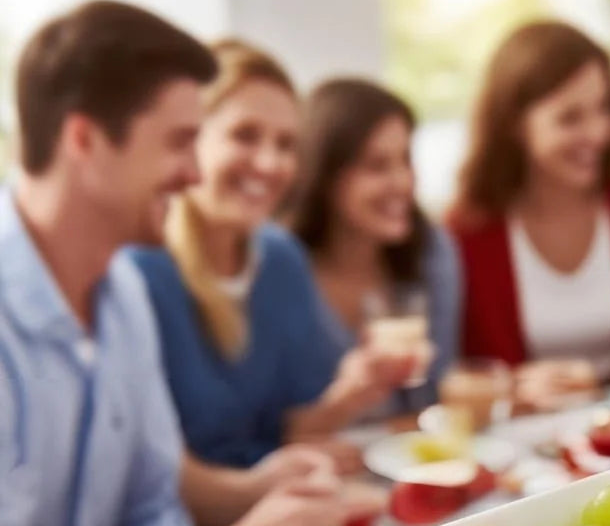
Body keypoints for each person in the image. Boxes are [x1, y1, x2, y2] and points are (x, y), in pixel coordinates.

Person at [0, 0, 371, 526]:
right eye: (177, 143)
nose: (194, 173)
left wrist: (254, 488)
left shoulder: (121, 295)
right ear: (84, 140)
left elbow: (155, 492)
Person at [131, 42, 410, 470]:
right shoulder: (140, 270)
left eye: (285, 145)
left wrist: (349, 395)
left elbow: (289, 431)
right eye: (245, 135)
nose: (269, 163)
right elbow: (153, 475)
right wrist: (262, 483)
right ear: (190, 138)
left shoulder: (282, 260)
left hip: (280, 510)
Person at [448, 20, 610, 408]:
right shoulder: (470, 230)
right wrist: (513, 392)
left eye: (604, 109)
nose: (598, 133)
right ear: (515, 124)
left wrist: (603, 396)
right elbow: (466, 374)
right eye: (571, 118)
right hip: (523, 445)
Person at [288, 77, 461, 425]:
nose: (402, 183)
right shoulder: (281, 268)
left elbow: (434, 393)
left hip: (415, 462)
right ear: (324, 174)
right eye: (377, 166)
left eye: (406, 161)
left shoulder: (431, 252)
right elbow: (272, 426)